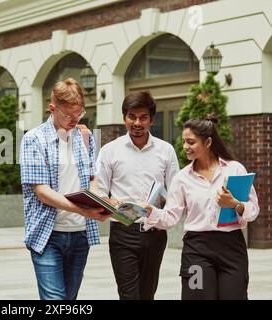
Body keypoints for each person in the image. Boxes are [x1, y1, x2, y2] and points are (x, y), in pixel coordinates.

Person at [143, 117, 260, 300]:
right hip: (197, 249)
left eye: (191, 142)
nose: (185, 147)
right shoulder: (182, 178)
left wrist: (235, 204)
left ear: (208, 142)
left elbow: (253, 210)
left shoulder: (235, 169)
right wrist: (151, 212)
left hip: (232, 247)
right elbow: (171, 216)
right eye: (183, 142)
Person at [20, 78, 110, 300]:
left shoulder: (85, 137)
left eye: (78, 114)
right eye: (68, 115)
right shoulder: (34, 139)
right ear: (52, 108)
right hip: (48, 235)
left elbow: (91, 178)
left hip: (80, 235)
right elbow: (41, 191)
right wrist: (83, 211)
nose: (74, 120)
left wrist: (102, 200)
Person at [95, 91, 179, 300]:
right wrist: (117, 207)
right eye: (132, 116)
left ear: (151, 119)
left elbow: (176, 191)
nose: (137, 122)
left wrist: (162, 207)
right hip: (123, 232)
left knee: (147, 294)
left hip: (155, 233)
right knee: (128, 295)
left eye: (143, 117)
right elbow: (100, 193)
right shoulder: (109, 151)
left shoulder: (166, 151)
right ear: (124, 118)